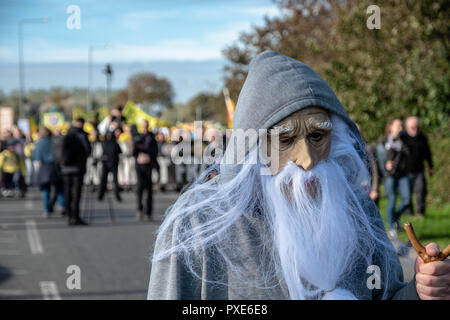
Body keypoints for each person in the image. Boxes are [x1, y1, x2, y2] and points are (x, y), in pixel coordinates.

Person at [148, 51, 450, 300]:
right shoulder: (197, 224)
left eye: (318, 136)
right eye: (285, 139)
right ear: (253, 147)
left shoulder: (360, 212)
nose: (307, 160)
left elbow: (387, 295)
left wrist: (420, 291)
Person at [381, 118, 411, 238]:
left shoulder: (404, 139)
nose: (401, 128)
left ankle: (395, 218)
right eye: (398, 126)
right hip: (389, 175)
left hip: (403, 174)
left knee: (407, 199)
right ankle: (392, 228)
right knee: (392, 200)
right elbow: (378, 157)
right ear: (391, 127)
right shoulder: (383, 141)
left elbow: (409, 153)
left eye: (401, 126)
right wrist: (385, 164)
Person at [61, 118, 91, 226]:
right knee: (76, 193)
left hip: (65, 168)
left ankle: (69, 215)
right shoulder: (81, 135)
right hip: (77, 168)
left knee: (67, 192)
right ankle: (75, 216)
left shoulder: (66, 134)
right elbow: (88, 150)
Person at [401, 117, 433, 218]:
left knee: (421, 191)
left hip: (419, 169)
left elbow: (428, 153)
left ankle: (420, 212)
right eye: (412, 126)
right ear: (407, 127)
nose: (415, 128)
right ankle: (408, 212)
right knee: (407, 193)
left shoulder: (422, 137)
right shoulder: (402, 137)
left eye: (416, 126)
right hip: (405, 170)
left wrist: (430, 166)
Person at [32, 127, 65, 218]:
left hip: (44, 167)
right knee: (59, 188)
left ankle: (46, 210)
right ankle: (62, 206)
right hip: (55, 166)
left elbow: (36, 156)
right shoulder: (55, 141)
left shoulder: (39, 143)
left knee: (45, 190)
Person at [133, 120, 158, 221]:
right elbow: (134, 150)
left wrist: (146, 152)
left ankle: (149, 212)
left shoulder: (151, 136)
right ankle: (139, 209)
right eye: (143, 126)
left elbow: (155, 150)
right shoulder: (138, 136)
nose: (145, 128)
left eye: (146, 126)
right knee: (139, 188)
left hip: (148, 164)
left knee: (149, 190)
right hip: (139, 165)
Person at [98, 131, 122, 202]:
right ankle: (116, 196)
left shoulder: (104, 143)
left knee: (104, 180)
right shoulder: (114, 143)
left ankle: (101, 196)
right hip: (112, 163)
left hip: (107, 163)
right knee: (113, 180)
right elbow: (120, 151)